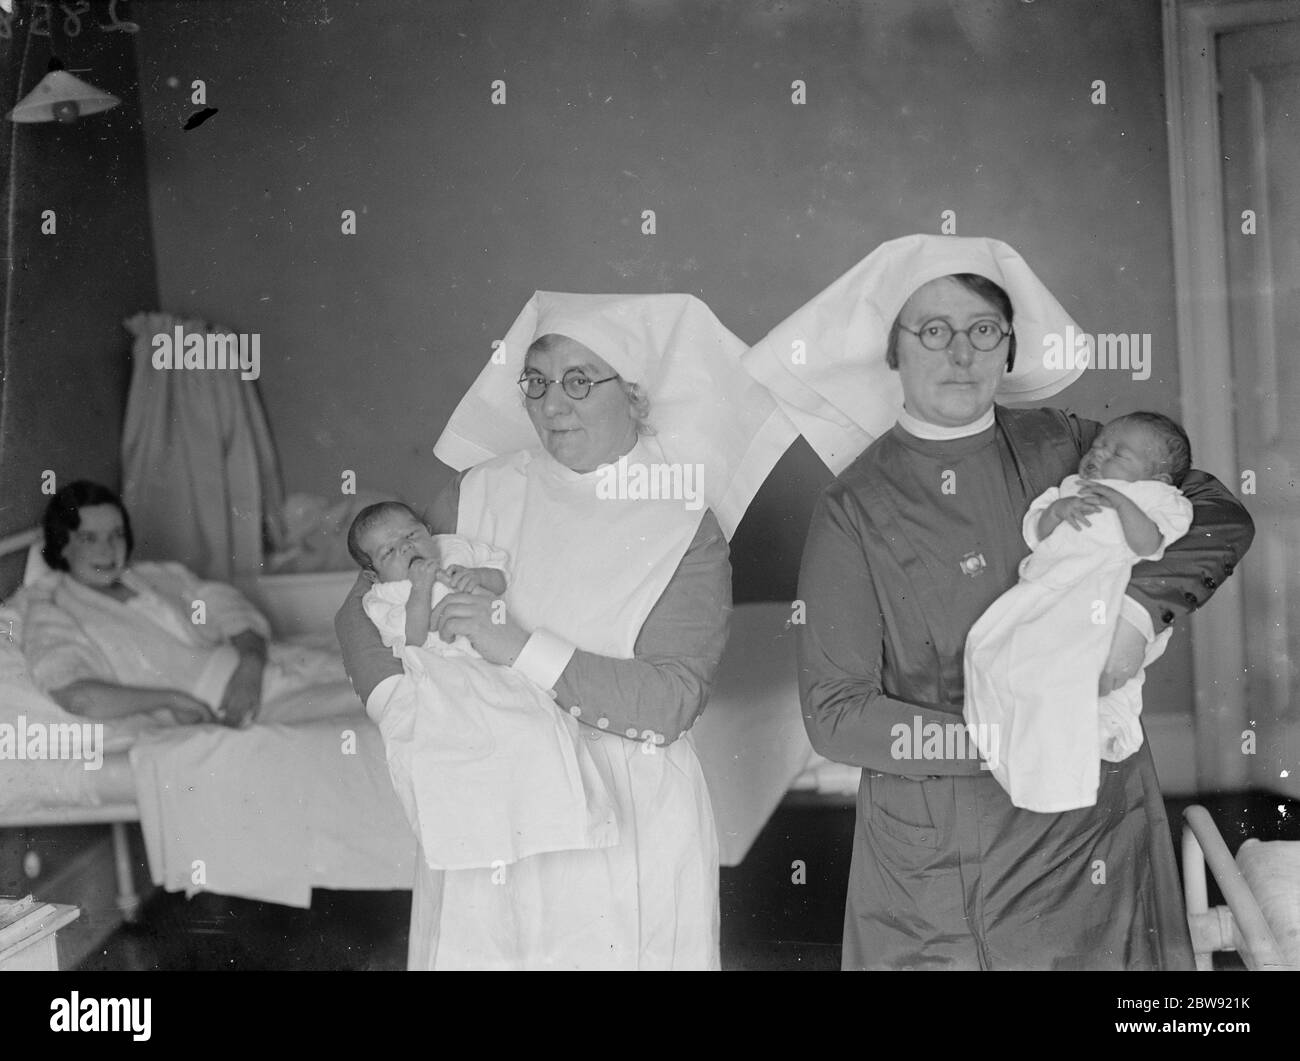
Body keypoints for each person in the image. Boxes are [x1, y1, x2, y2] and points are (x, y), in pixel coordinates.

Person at [743, 234, 1254, 970]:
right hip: (947, 862)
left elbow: (1216, 513)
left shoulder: (1068, 446)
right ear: (894, 349)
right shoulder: (853, 506)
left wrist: (1137, 619)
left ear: (1008, 348)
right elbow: (836, 714)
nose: (960, 353)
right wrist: (1014, 731)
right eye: (934, 331)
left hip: (1094, 830)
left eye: (983, 331)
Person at [334, 291, 796, 970]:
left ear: (636, 395)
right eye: (538, 381)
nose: (553, 404)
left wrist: (517, 647)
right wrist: (403, 709)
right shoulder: (475, 493)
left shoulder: (683, 525)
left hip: (623, 823)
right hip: (487, 807)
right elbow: (359, 611)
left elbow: (667, 703)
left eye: (580, 380)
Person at [347, 500, 618, 871]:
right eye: (389, 551)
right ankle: (479, 836)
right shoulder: (383, 597)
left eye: (411, 535)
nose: (406, 548)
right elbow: (412, 637)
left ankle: (557, 822)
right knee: (456, 743)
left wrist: (478, 577)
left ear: (428, 530)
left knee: (533, 723)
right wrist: (421, 589)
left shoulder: (457, 549)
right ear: (375, 572)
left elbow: (501, 575)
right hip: (440, 667)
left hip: (493, 653)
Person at [963, 412, 1195, 813]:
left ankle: (1067, 774)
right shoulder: (1071, 488)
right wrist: (1059, 511)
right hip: (1047, 590)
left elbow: (1148, 545)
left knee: (1066, 674)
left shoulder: (1160, 500)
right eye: (1097, 446)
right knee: (988, 651)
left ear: (1155, 479)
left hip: (1103, 594)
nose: (1097, 455)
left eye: (1117, 453)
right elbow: (1035, 533)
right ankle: (1008, 750)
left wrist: (1123, 503)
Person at [24, 480, 350, 729]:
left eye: (116, 534)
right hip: (237, 708)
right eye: (89, 538)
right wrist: (170, 699)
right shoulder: (54, 611)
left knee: (380, 676)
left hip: (264, 666)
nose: (108, 550)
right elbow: (78, 697)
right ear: (62, 546)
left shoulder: (156, 576)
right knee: (378, 706)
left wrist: (250, 662)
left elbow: (226, 604)